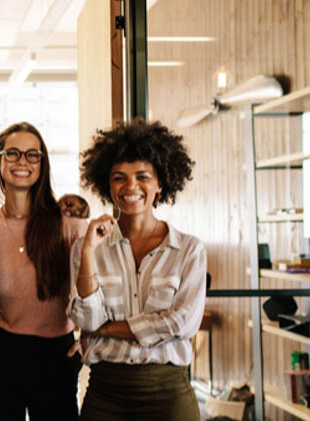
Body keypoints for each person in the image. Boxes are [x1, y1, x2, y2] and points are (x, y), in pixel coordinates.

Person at [69, 119, 206, 421]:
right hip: (105, 394)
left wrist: (104, 330)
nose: (131, 187)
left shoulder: (188, 250)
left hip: (168, 394)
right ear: (108, 185)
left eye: (143, 176)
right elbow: (86, 318)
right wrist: (90, 251)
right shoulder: (86, 248)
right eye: (120, 178)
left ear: (161, 184)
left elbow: (182, 324)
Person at [0, 122, 86, 421]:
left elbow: (95, 285)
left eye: (32, 155)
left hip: (56, 354)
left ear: (42, 164)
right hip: (0, 350)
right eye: (13, 153)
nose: (22, 161)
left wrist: (91, 334)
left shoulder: (69, 225)